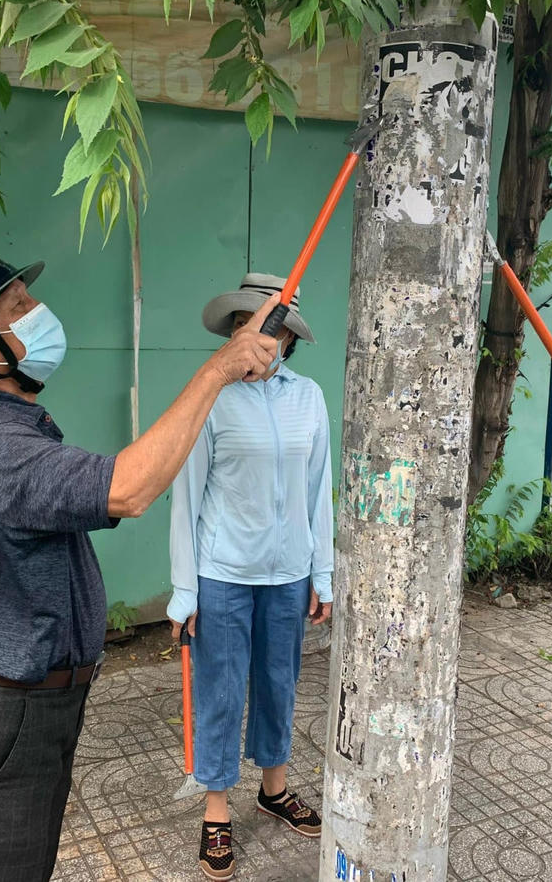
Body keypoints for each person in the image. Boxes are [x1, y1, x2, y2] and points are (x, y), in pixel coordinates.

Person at [0, 243, 279, 882]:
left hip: (17, 708)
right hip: (1, 716)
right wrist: (218, 370)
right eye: (18, 305)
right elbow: (129, 487)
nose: (39, 310)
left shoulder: (2, 419)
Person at [169, 276, 333, 881]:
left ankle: (274, 787)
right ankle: (216, 812)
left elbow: (318, 493)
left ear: (289, 336)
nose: (264, 334)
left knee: (278, 680)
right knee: (219, 687)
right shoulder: (211, 396)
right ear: (236, 328)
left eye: (275, 324)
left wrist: (323, 572)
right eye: (252, 321)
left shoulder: (308, 397)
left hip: (289, 573)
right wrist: (185, 589)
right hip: (223, 573)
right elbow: (186, 497)